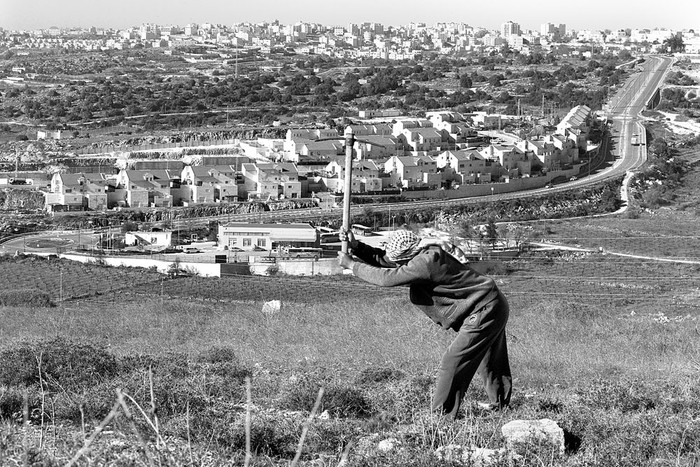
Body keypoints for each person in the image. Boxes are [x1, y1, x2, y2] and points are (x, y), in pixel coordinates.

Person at [337, 228, 512, 419]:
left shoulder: (425, 263)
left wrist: (352, 265)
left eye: (400, 262)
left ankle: (440, 418)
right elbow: (387, 262)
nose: (398, 265)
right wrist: (356, 246)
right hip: (491, 303)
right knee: (490, 359)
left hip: (484, 310)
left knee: (453, 361)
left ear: (408, 256)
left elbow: (386, 278)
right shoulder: (422, 255)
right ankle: (500, 407)